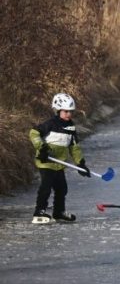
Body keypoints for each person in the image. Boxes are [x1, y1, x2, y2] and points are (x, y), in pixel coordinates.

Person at [29, 93, 89, 223]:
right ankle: (39, 212)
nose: (68, 114)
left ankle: (58, 212)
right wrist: (42, 148)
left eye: (70, 112)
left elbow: (74, 147)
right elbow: (34, 133)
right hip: (46, 161)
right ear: (58, 110)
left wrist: (81, 164)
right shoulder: (50, 124)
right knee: (46, 187)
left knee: (62, 188)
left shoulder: (71, 128)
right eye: (66, 111)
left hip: (59, 163)